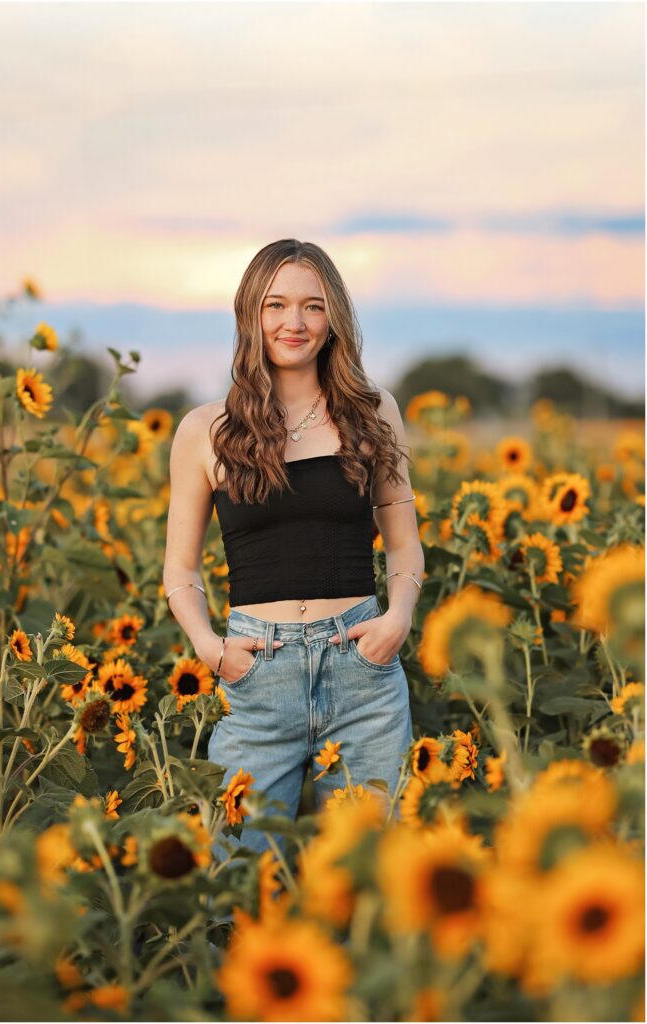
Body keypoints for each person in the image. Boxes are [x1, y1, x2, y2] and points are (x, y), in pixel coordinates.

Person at [163, 239, 425, 861]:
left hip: (362, 666)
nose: (294, 322)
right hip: (258, 674)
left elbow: (405, 544)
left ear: (333, 317)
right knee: (237, 878)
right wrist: (209, 647)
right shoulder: (206, 430)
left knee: (367, 883)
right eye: (277, 305)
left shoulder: (372, 413)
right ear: (251, 314)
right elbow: (180, 564)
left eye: (312, 306)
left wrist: (398, 619)